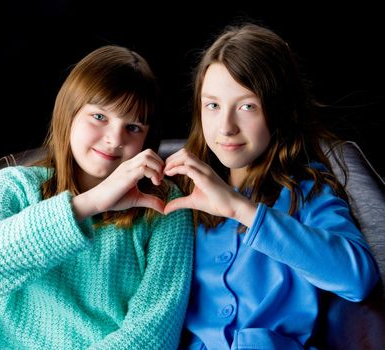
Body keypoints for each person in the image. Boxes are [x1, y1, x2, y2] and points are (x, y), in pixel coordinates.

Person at [0, 45, 194, 349]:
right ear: (69, 114)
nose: (115, 139)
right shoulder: (13, 185)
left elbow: (154, 332)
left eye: (133, 127)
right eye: (99, 116)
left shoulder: (163, 205)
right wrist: (90, 203)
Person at [163, 23, 380, 349]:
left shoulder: (308, 191)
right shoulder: (180, 190)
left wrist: (240, 209)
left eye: (247, 106)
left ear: (279, 111)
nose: (226, 127)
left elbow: (357, 279)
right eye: (213, 105)